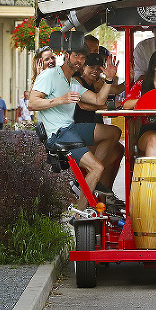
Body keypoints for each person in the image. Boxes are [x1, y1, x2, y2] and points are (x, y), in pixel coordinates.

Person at [27, 46, 123, 209]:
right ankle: (80, 213)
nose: (79, 60)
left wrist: (108, 79)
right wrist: (61, 99)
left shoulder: (71, 82)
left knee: (114, 132)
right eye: (76, 55)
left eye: (82, 57)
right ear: (66, 56)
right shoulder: (50, 74)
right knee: (97, 168)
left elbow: (99, 100)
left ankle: (86, 183)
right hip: (57, 135)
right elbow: (32, 103)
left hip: (70, 129)